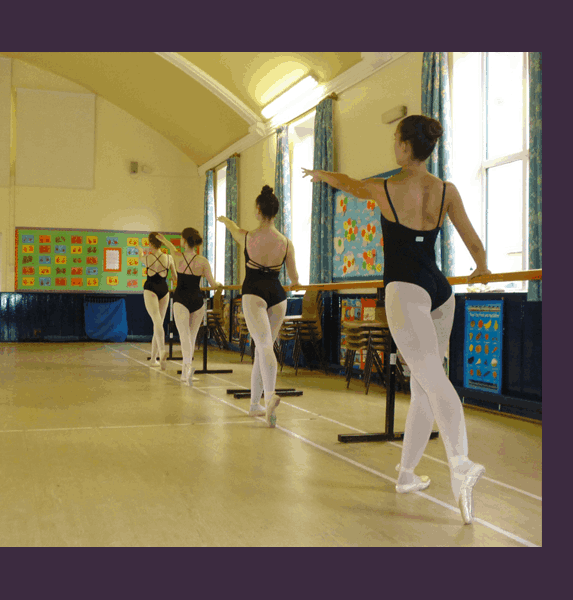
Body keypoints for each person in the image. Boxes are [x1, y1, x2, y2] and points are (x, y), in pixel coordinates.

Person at [303, 114, 493, 525]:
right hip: (440, 291)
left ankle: (460, 463)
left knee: (432, 382)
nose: (394, 146)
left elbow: (349, 183)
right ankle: (406, 475)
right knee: (426, 385)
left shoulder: (388, 188)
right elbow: (474, 241)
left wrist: (321, 174)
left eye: (395, 140)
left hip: (405, 291)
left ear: (406, 147)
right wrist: (481, 266)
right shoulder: (446, 190)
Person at [217, 185, 299, 426]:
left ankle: (271, 395)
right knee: (265, 348)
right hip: (277, 295)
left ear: (258, 210)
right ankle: (255, 405)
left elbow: (233, 229)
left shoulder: (247, 237)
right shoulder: (286, 242)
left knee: (263, 347)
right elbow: (294, 278)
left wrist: (227, 221)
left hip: (254, 293)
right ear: (275, 212)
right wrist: (294, 282)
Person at [167, 228, 215, 386]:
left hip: (181, 299)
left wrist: (162, 239)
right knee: (191, 337)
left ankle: (186, 371)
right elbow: (213, 284)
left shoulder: (177, 256)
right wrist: (220, 286)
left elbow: (170, 247)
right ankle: (187, 370)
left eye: (181, 238)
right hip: (197, 300)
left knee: (185, 336)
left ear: (185, 241)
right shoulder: (203, 261)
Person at [141, 232, 175, 367]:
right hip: (164, 290)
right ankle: (154, 359)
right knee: (159, 323)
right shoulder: (169, 258)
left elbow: (140, 258)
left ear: (150, 243)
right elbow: (175, 276)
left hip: (151, 289)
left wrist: (139, 251)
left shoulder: (147, 258)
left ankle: (161, 351)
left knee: (156, 321)